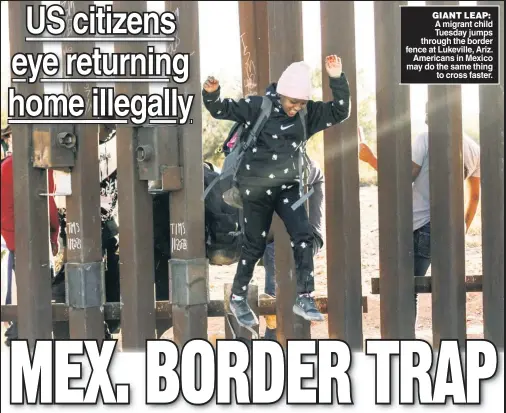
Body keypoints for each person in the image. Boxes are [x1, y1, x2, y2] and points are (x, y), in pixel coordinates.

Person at [202, 55, 351, 327]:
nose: (296, 108)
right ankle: (238, 296)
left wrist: (337, 78)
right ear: (281, 93)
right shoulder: (258, 106)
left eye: (302, 103)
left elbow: (341, 111)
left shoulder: (308, 114)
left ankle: (305, 295)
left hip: (288, 188)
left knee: (303, 235)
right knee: (254, 245)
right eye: (293, 102)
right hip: (255, 189)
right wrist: (211, 94)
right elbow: (222, 110)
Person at [357, 106, 481, 322]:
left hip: (421, 225)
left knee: (408, 289)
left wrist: (370, 158)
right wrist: (462, 229)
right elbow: (475, 197)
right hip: (451, 228)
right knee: (447, 290)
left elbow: (403, 179)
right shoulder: (473, 148)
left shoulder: (426, 139)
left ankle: (408, 342)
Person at [1, 131, 60, 345]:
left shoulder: (6, 166)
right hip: (35, 239)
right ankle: (22, 333)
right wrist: (54, 236)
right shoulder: (41, 164)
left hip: (18, 241)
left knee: (26, 291)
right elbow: (49, 205)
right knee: (41, 289)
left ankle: (19, 332)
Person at [262, 158, 325, 339]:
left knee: (277, 258)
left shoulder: (304, 163)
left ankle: (277, 338)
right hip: (277, 235)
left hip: (304, 237)